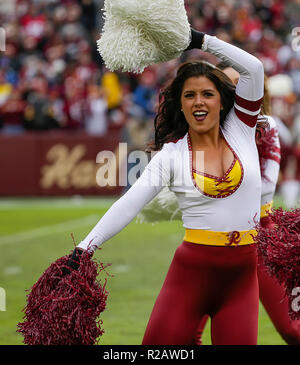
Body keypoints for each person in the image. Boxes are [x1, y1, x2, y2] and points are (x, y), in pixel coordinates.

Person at [75, 29, 265, 345]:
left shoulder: (242, 128)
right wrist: (84, 248)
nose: (199, 102)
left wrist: (200, 41)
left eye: (207, 93)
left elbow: (254, 68)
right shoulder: (172, 155)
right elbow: (129, 203)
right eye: (189, 95)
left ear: (221, 100)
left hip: (242, 278)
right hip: (191, 275)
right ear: (180, 104)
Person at [193, 62, 300, 345]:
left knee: (293, 329)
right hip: (215, 239)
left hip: (261, 236)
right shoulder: (204, 130)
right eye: (227, 86)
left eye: (240, 84)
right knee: (186, 334)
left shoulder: (268, 125)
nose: (235, 92)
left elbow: (265, 190)